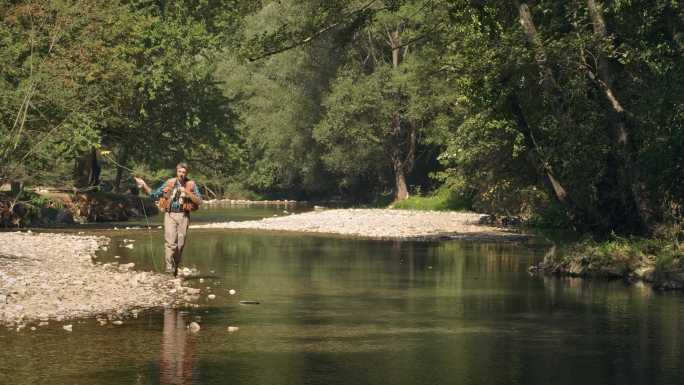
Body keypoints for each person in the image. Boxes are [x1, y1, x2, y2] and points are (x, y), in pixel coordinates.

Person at [134, 163, 201, 276]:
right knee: (171, 243)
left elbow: (199, 201)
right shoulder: (170, 183)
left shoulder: (191, 184)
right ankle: (169, 267)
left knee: (180, 245)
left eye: (184, 172)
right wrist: (144, 185)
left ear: (187, 173)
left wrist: (188, 193)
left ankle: (175, 266)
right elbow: (154, 195)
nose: (181, 174)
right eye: (180, 172)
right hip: (170, 215)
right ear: (177, 172)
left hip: (184, 216)